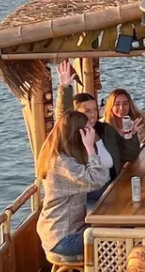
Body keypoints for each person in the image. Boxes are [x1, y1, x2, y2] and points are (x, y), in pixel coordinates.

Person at [56, 61, 141, 195]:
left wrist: (130, 136)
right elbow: (63, 118)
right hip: (88, 194)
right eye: (87, 111)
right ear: (76, 113)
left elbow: (130, 156)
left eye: (95, 110)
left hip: (113, 187)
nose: (92, 114)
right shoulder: (73, 135)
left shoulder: (106, 130)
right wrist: (65, 88)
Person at [35, 111, 109, 259]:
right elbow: (98, 179)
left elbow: (101, 180)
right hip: (63, 237)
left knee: (111, 224)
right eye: (88, 130)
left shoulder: (62, 155)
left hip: (64, 230)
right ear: (78, 133)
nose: (92, 132)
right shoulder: (62, 163)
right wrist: (90, 148)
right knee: (114, 240)